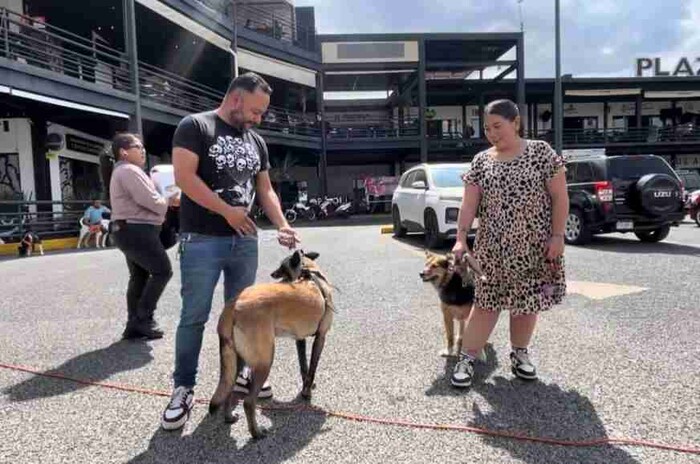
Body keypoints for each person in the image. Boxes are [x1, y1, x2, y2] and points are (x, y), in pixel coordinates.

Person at [161, 72, 300, 431]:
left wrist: (282, 224)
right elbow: (184, 178)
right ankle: (183, 388)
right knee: (194, 315)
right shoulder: (195, 126)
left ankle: (238, 378)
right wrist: (226, 211)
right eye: (255, 110)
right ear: (236, 98)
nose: (259, 118)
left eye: (263, 113)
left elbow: (265, 190)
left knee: (244, 316)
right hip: (202, 239)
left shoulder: (256, 141)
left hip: (245, 240)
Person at [450, 99, 569, 388]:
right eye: (487, 128)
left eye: (497, 126)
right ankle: (468, 358)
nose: (492, 133)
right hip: (492, 248)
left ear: (516, 122)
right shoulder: (481, 161)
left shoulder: (541, 152)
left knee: (527, 303)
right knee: (485, 304)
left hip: (535, 246)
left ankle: (520, 354)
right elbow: (469, 204)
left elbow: (559, 197)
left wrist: (557, 235)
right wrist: (461, 239)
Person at [102, 133, 174, 341]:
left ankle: (134, 325)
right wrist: (169, 200)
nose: (142, 150)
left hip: (127, 230)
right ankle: (142, 320)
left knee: (140, 276)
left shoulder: (122, 171)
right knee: (162, 271)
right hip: (137, 229)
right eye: (137, 147)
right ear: (124, 152)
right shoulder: (129, 170)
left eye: (143, 147)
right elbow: (150, 200)